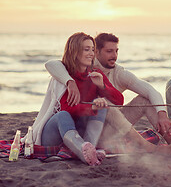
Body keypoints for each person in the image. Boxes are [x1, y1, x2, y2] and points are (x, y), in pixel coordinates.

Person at [45, 33, 171, 151]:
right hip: (87, 124)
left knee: (141, 101)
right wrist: (69, 81)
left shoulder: (116, 73)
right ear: (97, 53)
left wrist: (162, 113)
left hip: (110, 125)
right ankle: (147, 147)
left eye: (116, 51)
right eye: (109, 51)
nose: (114, 56)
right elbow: (52, 64)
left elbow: (148, 91)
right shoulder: (77, 68)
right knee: (106, 106)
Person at [23, 32, 124, 165]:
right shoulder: (63, 76)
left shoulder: (96, 74)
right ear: (75, 51)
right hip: (55, 132)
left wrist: (102, 86)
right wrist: (91, 106)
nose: (91, 53)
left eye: (92, 49)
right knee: (62, 115)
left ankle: (89, 149)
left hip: (79, 130)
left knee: (102, 108)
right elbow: (66, 108)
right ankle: (83, 151)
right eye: (86, 49)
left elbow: (119, 100)